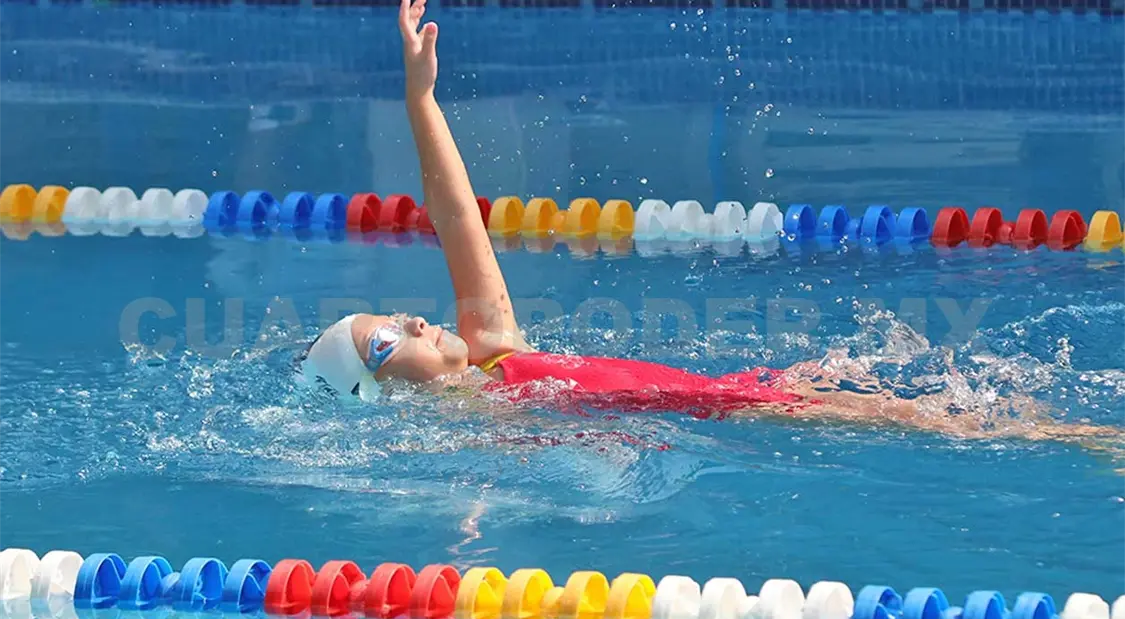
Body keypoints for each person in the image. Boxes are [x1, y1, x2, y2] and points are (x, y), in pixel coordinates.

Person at [298, 0, 1122, 446]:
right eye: (385, 342)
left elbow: (454, 213)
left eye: (392, 317)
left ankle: (1080, 431)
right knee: (948, 418)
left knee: (937, 403)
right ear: (378, 395)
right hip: (734, 414)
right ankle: (1086, 436)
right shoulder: (480, 427)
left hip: (739, 395)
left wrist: (419, 97)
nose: (411, 319)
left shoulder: (493, 347)